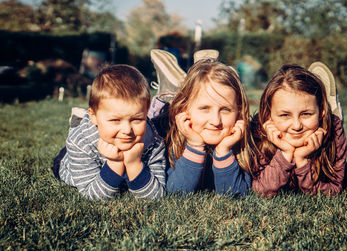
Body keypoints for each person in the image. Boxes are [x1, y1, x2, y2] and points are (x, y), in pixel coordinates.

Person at [52, 64, 166, 200]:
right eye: (115, 120)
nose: (127, 130)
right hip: (71, 160)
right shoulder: (80, 143)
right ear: (93, 116)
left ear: (146, 113)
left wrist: (134, 164)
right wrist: (115, 163)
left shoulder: (154, 142)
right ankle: (80, 122)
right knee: (66, 154)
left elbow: (156, 196)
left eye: (136, 119)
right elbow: (93, 195)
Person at [251, 63, 347, 197]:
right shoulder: (259, 129)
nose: (297, 126)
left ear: (320, 114)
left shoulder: (334, 129)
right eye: (285, 115)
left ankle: (329, 107)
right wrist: (285, 153)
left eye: (306, 114)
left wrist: (302, 160)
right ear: (269, 116)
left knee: (332, 119)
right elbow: (260, 191)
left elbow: (333, 190)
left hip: (326, 120)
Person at [164, 59, 256, 196]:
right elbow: (177, 192)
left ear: (238, 111)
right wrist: (194, 146)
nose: (215, 121)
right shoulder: (176, 141)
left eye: (225, 109)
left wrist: (223, 151)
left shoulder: (242, 145)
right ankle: (167, 88)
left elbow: (235, 195)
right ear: (184, 108)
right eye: (205, 108)